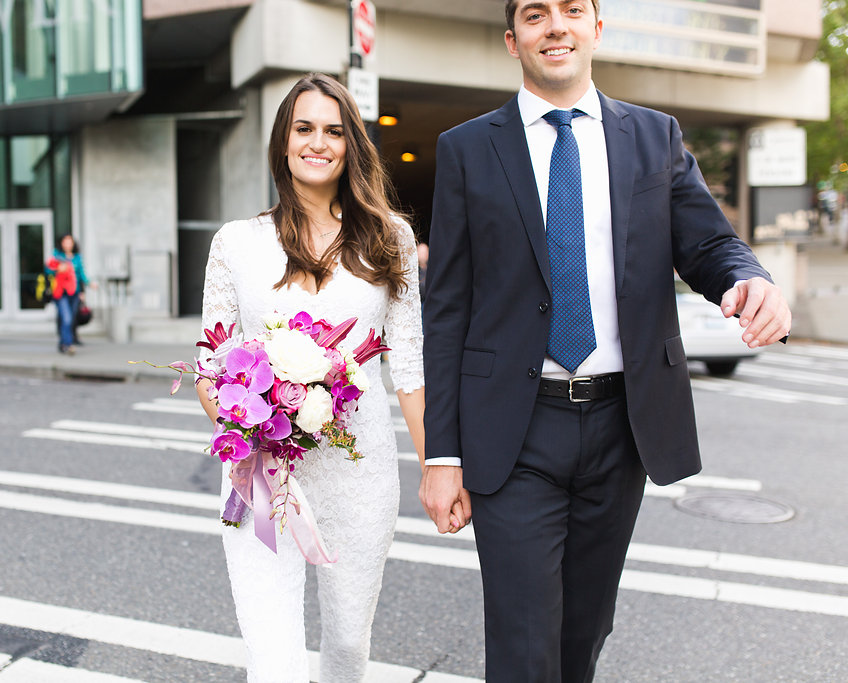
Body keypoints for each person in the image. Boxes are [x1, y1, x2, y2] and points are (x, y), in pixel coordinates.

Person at [420, 2, 793, 682]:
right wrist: (440, 455)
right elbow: (445, 308)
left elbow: (708, 242)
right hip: (513, 428)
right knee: (523, 638)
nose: (555, 25)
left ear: (598, 28)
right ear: (513, 40)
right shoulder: (468, 149)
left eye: (572, 10)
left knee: (582, 635)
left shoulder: (655, 137)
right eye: (536, 14)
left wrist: (748, 279)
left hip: (623, 426)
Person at [197, 72, 424, 682]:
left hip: (360, 470)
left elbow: (407, 366)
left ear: (351, 144)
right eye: (304, 128)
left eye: (333, 130)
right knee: (274, 663)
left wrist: (440, 470)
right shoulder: (237, 243)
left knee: (348, 649)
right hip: (262, 474)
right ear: (283, 140)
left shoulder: (389, 238)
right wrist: (257, 419)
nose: (317, 142)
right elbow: (208, 366)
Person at [46, 234, 93, 354]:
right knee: (66, 318)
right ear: (61, 243)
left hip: (74, 293)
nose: (67, 244)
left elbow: (81, 274)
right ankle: (67, 344)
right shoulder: (57, 256)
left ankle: (63, 342)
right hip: (61, 293)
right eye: (65, 242)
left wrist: (87, 286)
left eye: (70, 242)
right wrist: (57, 269)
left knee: (70, 319)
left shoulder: (77, 258)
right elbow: (48, 269)